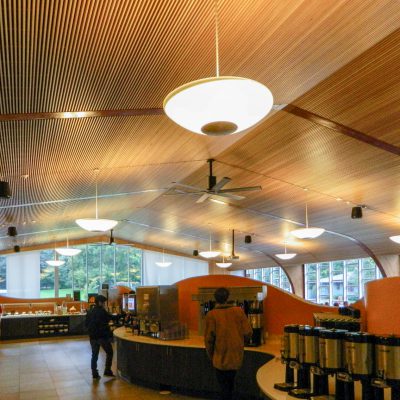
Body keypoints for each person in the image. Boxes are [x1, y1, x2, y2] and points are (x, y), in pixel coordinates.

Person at [204, 288, 253, 400]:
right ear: (228, 298)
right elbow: (248, 332)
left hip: (220, 357)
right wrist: (240, 343)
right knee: (231, 385)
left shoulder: (212, 315)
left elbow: (209, 340)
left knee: (224, 388)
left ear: (215, 299)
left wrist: (211, 356)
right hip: (236, 356)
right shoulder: (238, 311)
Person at [85, 294, 115, 379]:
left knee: (94, 355)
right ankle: (107, 370)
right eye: (104, 303)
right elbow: (110, 318)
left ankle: (94, 373)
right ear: (100, 303)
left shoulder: (90, 311)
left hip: (92, 337)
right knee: (109, 352)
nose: (105, 304)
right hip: (102, 336)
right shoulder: (102, 311)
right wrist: (123, 315)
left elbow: (86, 324)